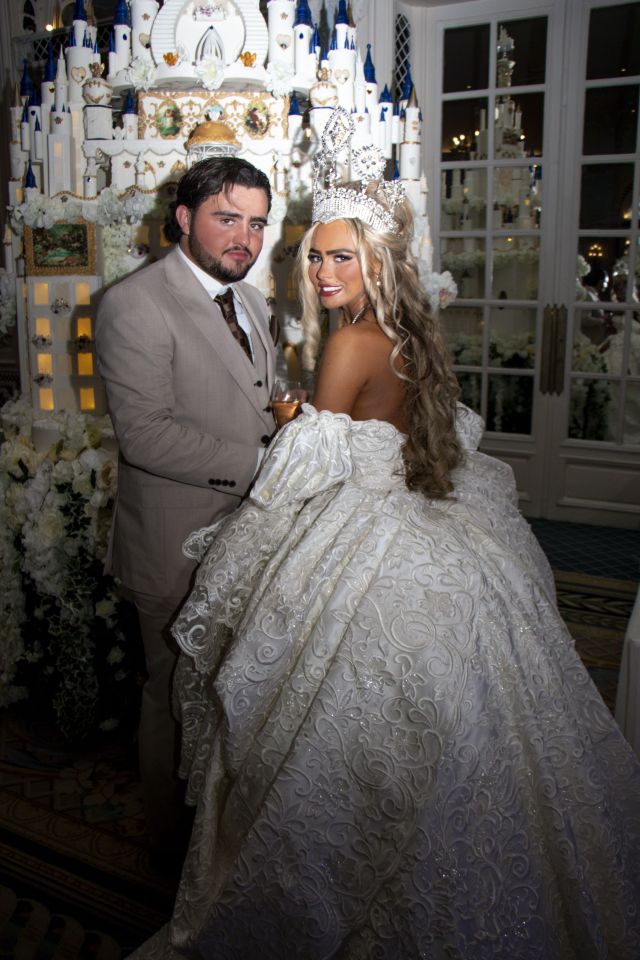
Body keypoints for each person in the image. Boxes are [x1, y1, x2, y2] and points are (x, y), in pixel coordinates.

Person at [129, 112, 640, 958]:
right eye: (316, 254)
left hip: (362, 533)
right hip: (425, 518)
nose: (324, 271)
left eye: (342, 254)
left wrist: (294, 422)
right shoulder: (410, 330)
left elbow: (305, 471)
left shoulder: (349, 342)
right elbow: (400, 431)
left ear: (375, 258)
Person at [94, 156, 277, 863]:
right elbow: (145, 436)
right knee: (173, 697)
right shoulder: (134, 303)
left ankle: (214, 838)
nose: (245, 238)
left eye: (256, 222)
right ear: (183, 218)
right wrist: (268, 465)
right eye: (227, 218)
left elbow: (248, 402)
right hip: (174, 546)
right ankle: (168, 855)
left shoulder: (252, 301)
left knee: (228, 695)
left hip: (246, 537)